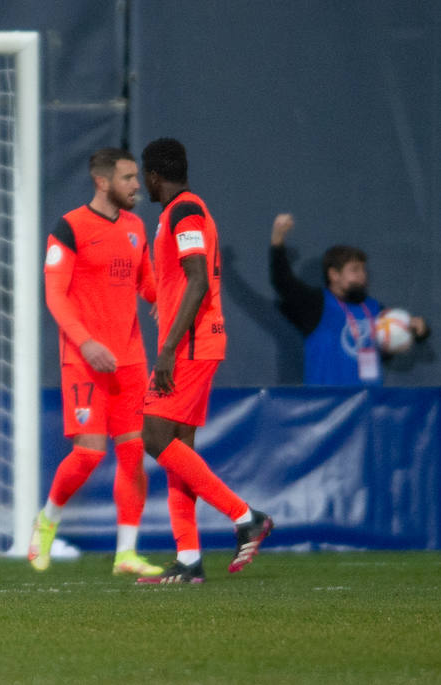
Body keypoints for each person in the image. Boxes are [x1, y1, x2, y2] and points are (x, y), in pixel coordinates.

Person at [134, 138, 272, 584]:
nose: (143, 185)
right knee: (179, 452)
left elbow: (197, 280)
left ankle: (244, 515)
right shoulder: (183, 211)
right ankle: (189, 558)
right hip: (195, 341)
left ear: (155, 176)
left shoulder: (183, 211)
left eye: (144, 177)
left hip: (190, 345)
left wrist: (169, 349)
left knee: (154, 438)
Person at [26, 148, 162, 577]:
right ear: (102, 182)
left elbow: (148, 285)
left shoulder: (137, 227)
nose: (136, 185)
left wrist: (179, 300)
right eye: (127, 178)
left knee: (133, 453)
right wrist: (85, 343)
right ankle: (46, 521)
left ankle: (126, 553)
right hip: (85, 360)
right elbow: (54, 295)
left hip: (131, 360)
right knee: (88, 454)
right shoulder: (69, 227)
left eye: (136, 177)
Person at [269, 213, 430, 385]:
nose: (362, 275)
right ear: (334, 274)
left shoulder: (374, 308)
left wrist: (417, 331)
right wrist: (278, 239)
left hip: (369, 405)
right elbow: (282, 281)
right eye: (354, 270)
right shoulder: (316, 303)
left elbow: (394, 343)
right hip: (328, 407)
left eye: (363, 270)